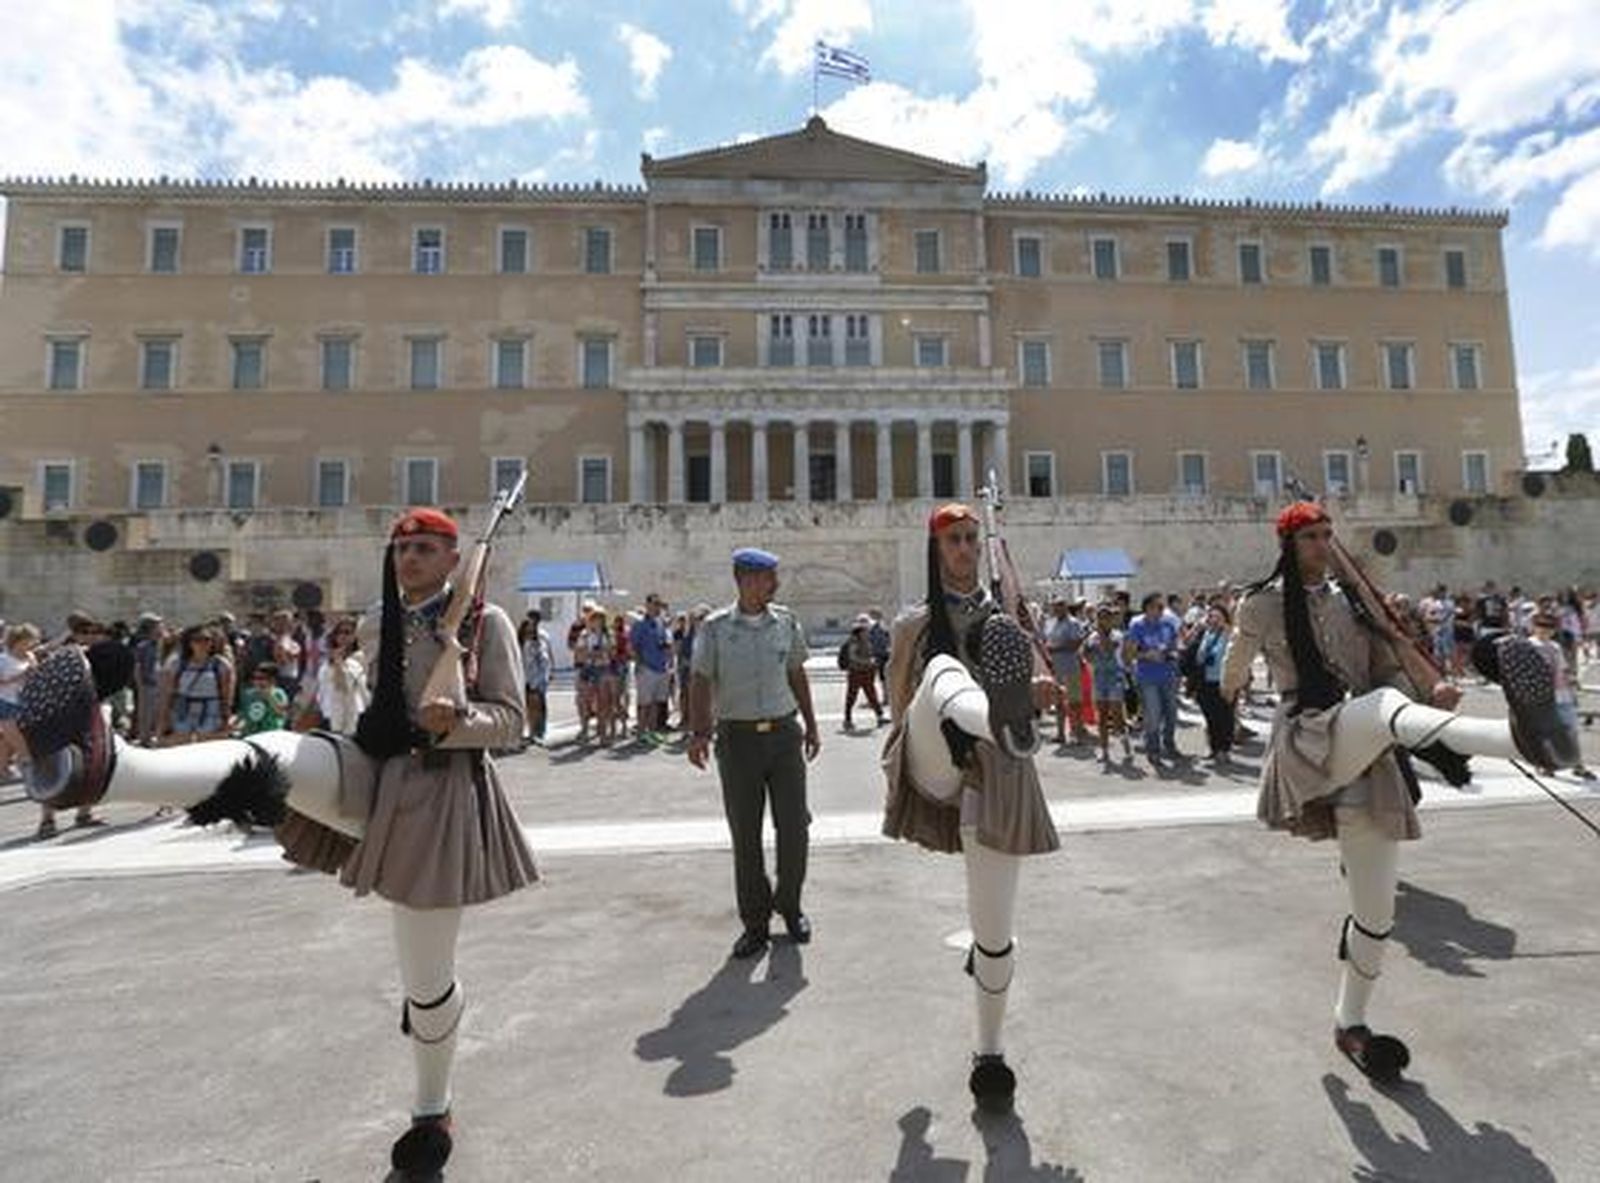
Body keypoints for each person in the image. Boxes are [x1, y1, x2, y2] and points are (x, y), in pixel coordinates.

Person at [15, 506, 534, 1176]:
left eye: (426, 548)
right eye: (402, 547)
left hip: (440, 798)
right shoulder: (382, 622)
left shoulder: (483, 621)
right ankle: (109, 769)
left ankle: (433, 1107)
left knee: (427, 984)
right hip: (375, 769)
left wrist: (454, 717)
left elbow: (512, 721)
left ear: (454, 558)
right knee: (271, 754)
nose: (409, 558)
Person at [1221, 502, 1577, 1085]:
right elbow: (1231, 675)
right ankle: (1518, 739)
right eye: (1311, 536)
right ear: (1288, 543)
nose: (1323, 543)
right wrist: (1237, 672)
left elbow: (1386, 674)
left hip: (1370, 753)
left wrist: (1424, 692)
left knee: (1377, 915)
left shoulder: (1349, 601)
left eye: (1328, 534)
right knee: (1386, 711)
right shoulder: (1260, 601)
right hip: (1311, 737)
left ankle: (1350, 1023)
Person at [879, 504, 1059, 1114]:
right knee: (942, 671)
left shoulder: (1009, 621)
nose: (964, 549)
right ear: (936, 549)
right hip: (932, 757)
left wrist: (1037, 689)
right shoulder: (913, 625)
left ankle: (990, 1053)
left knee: (995, 934)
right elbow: (897, 708)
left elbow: (1047, 689)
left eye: (971, 539)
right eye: (954, 540)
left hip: (996, 777)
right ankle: (993, 716)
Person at [687, 547, 820, 960]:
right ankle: (755, 924)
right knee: (745, 834)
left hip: (783, 734)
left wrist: (812, 725)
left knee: (795, 826)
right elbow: (700, 679)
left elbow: (797, 673)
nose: (775, 585)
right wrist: (698, 732)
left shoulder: (787, 622)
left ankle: (791, 904)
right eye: (768, 578)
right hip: (737, 738)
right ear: (745, 580)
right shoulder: (714, 628)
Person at [1529, 612, 1595, 780]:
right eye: (1541, 626)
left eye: (1549, 627)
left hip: (1563, 694)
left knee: (1571, 730)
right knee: (1546, 732)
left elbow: (1562, 669)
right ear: (1534, 627)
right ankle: (1545, 764)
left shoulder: (1555, 646)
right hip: (1543, 695)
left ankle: (1577, 764)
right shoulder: (1529, 645)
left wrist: (1572, 684)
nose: (1545, 630)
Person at [1124, 592, 1181, 763]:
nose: (1162, 610)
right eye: (1159, 607)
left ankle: (1169, 744)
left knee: (1171, 713)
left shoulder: (1168, 625)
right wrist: (1146, 655)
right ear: (1148, 608)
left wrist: (1171, 655)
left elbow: (1174, 647)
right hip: (1147, 677)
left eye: (1162, 607)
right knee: (1153, 715)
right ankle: (1153, 749)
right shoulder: (1137, 626)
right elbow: (1129, 653)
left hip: (1168, 675)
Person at [158, 625, 235, 745]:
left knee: (207, 747)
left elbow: (227, 695)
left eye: (207, 639)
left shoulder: (221, 664)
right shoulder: (177, 664)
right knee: (180, 747)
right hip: (182, 708)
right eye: (197, 640)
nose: (202, 643)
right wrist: (164, 718)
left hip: (211, 709)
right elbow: (168, 692)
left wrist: (226, 718)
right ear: (189, 643)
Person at [1083, 605, 1133, 764]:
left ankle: (1124, 739)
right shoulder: (1091, 637)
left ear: (1111, 620)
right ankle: (1104, 750)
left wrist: (1098, 637)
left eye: (1106, 617)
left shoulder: (1118, 636)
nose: (1103, 621)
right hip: (1099, 678)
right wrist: (1087, 650)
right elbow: (1087, 656)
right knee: (1102, 716)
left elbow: (1109, 648)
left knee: (1117, 714)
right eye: (1100, 617)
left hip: (1114, 677)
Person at [1044, 596, 1090, 745]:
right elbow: (1048, 642)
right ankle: (1060, 734)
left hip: (1070, 667)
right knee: (1059, 702)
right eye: (1054, 606)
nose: (1056, 609)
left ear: (1065, 607)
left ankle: (1076, 733)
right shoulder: (1051, 623)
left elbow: (1076, 644)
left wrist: (1055, 649)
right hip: (1057, 668)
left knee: (1074, 702)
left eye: (1059, 606)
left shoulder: (1073, 623)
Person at [1194, 604, 1235, 765]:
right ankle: (1214, 748)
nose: (1214, 620)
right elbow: (1199, 657)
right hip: (1205, 681)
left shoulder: (1230, 634)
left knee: (1225, 716)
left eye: (1218, 617)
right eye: (1211, 617)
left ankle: (1224, 750)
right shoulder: (1207, 634)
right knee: (1210, 717)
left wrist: (1226, 628)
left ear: (1225, 618)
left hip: (1224, 681)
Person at [629, 594, 673, 744]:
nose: (657, 607)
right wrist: (640, 664)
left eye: (659, 604)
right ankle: (641, 733)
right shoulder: (640, 624)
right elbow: (633, 647)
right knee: (644, 703)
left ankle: (652, 732)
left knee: (656, 703)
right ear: (647, 605)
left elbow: (665, 643)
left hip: (661, 668)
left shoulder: (660, 623)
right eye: (654, 604)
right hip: (646, 668)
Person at [315, 616, 369, 735]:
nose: (342, 636)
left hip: (348, 719)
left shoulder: (359, 657)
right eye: (339, 632)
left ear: (356, 636)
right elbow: (321, 688)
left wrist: (338, 664)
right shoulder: (329, 658)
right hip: (327, 713)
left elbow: (344, 687)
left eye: (347, 632)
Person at [841, 613, 885, 730]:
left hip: (866, 673)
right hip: (856, 672)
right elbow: (853, 656)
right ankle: (847, 719)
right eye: (866, 629)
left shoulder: (865, 640)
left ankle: (880, 716)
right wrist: (868, 662)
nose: (868, 631)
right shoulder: (854, 641)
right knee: (851, 696)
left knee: (872, 695)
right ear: (860, 630)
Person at [518, 610, 552, 744]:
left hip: (535, 678)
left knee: (536, 706)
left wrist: (545, 676)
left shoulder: (540, 640)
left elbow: (545, 659)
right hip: (522, 677)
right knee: (524, 706)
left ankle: (536, 732)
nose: (530, 631)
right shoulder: (519, 642)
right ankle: (525, 731)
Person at [238, 661, 290, 735]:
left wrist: (269, 695)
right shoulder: (249, 694)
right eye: (254, 678)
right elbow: (243, 713)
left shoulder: (278, 693)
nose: (256, 682)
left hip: (270, 734)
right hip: (250, 733)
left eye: (261, 678)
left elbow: (282, 712)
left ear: (272, 680)